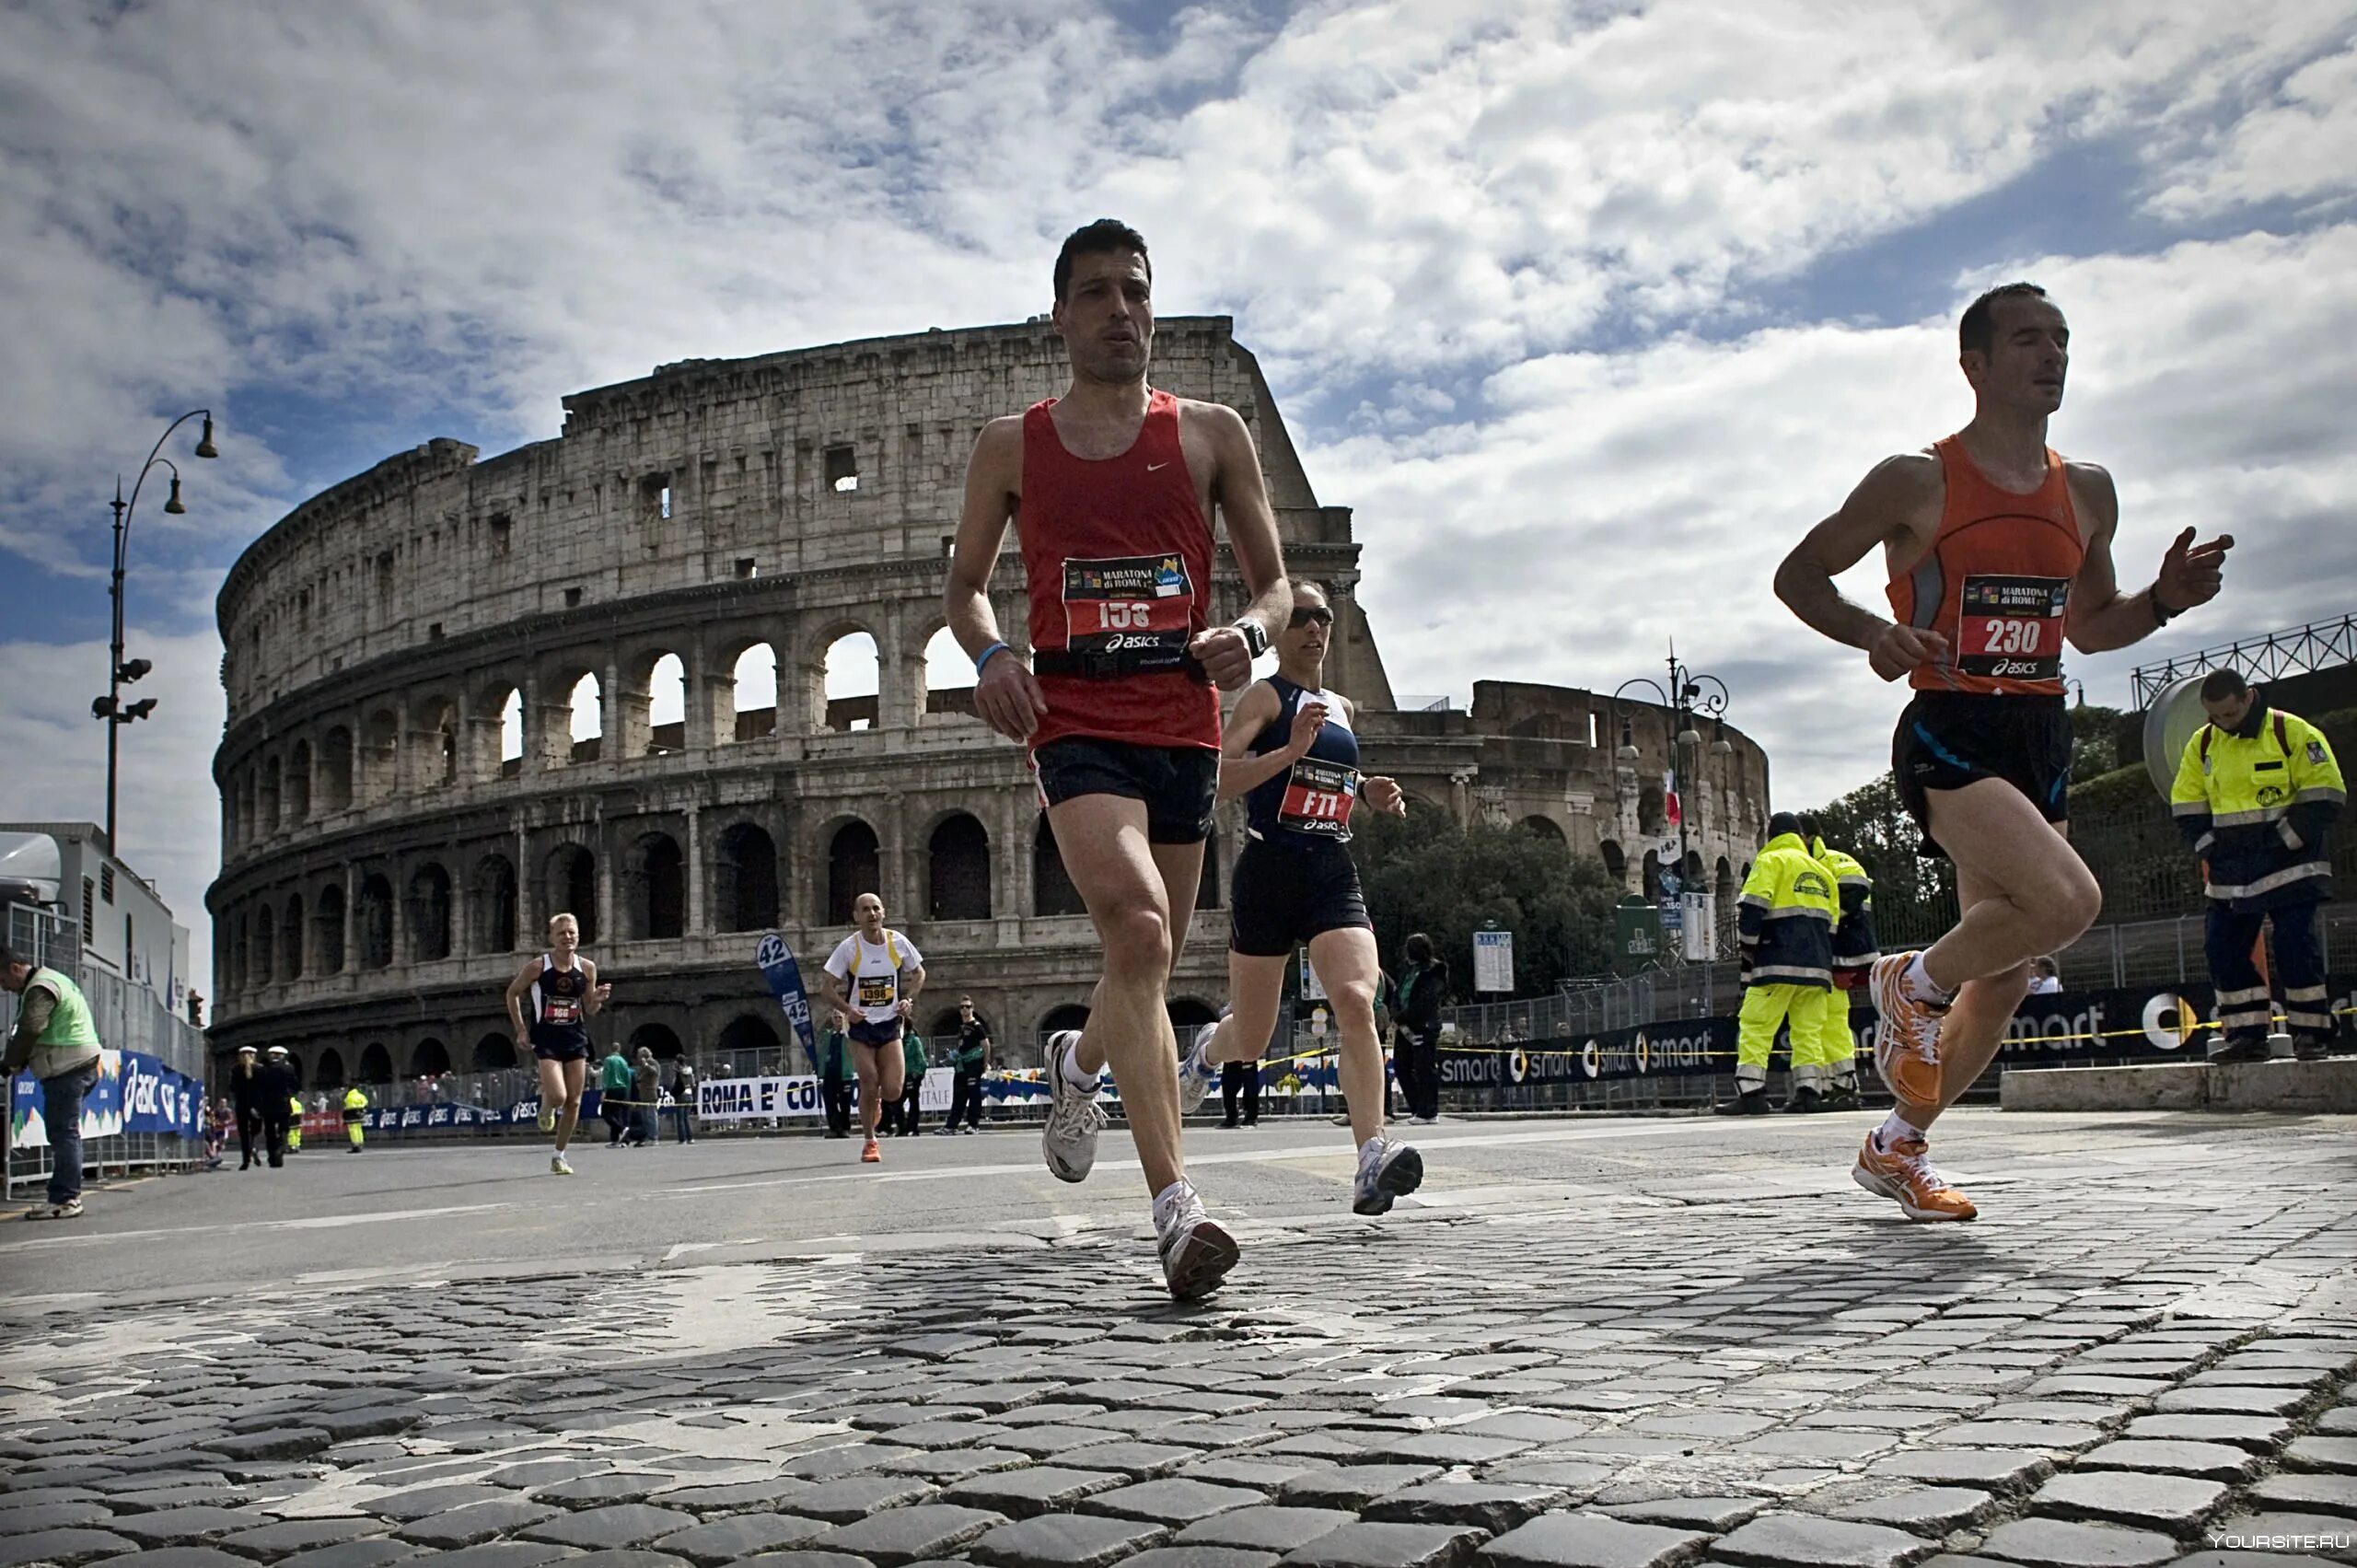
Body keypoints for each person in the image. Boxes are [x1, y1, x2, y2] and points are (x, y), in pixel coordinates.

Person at [1774, 280, 2231, 1221]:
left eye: (2061, 338)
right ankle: (1909, 979)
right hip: (1949, 721)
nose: (2052, 354)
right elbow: (1799, 573)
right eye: (2027, 339)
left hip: (2040, 730)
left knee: (2010, 968)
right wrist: (1870, 631)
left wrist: (2165, 599)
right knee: (2066, 901)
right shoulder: (1917, 480)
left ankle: (1897, 1143)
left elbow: (2093, 627)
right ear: (1974, 364)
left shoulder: (2089, 490)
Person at [944, 218, 1292, 1299]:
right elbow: (960, 592)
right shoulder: (1011, 443)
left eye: (1134, 291)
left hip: (1182, 722)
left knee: (1144, 962)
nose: (1119, 310)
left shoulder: (1211, 432)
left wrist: (1255, 634)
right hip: (1076, 720)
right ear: (1059, 313)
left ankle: (1076, 1064)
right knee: (1139, 927)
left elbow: (1277, 585)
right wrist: (996, 652)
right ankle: (1175, 1209)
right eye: (1094, 293)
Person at [1174, 582, 1423, 1214]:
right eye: (1302, 618)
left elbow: (1330, 774)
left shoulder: (1340, 705)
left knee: (1356, 998)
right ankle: (1207, 1049)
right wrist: (1286, 751)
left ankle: (1372, 1155)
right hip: (1269, 871)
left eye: (1324, 617)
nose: (1315, 628)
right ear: (1280, 630)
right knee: (1252, 1039)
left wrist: (1366, 790)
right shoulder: (1265, 696)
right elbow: (1217, 779)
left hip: (1331, 869)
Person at [2172, 670, 2346, 1062]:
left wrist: (2283, 841)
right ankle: (2247, 1036)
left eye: (2230, 714)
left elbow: (2326, 794)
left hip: (2290, 864)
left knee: (2294, 946)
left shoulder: (2292, 732)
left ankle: (2312, 1034)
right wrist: (2210, 848)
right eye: (2215, 716)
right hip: (2231, 870)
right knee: (2223, 949)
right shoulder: (2202, 744)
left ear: (2249, 697)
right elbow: (2186, 804)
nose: (2224, 723)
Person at [1723, 814, 1838, 1116]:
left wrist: (1749, 953)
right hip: (1818, 967)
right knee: (1808, 1031)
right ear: (1800, 836)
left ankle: (1752, 1092)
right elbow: (1832, 926)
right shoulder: (1823, 873)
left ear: (1770, 837)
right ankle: (1809, 1092)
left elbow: (1752, 912)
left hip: (1775, 962)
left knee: (1756, 1025)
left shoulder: (1771, 861)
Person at [816, 892, 924, 1164]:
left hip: (889, 1023)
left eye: (876, 908)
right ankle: (869, 1141)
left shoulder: (897, 943)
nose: (872, 914)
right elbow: (826, 988)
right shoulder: (849, 948)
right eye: (865, 910)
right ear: (856, 916)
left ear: (883, 913)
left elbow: (919, 972)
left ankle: (876, 1102)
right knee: (868, 1080)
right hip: (861, 1026)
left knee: (892, 1091)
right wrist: (847, 1010)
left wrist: (908, 999)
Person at [2, 945, 103, 1220]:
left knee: (63, 1134)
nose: (5, 987)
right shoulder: (54, 978)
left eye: (3, 980)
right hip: (84, 1063)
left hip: (67, 1067)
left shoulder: (40, 987)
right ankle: (66, 1195)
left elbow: (31, 1027)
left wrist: (10, 1062)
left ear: (15, 968)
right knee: (67, 1132)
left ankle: (65, 1199)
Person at [505, 913, 610, 1177]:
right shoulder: (538, 967)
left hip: (575, 1037)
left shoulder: (587, 968)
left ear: (578, 935)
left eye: (571, 932)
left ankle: (559, 1155)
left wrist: (597, 999)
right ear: (552, 937)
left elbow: (590, 1008)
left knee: (574, 1102)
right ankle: (547, 1104)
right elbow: (512, 993)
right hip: (546, 1039)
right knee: (559, 1097)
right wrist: (520, 1030)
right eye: (561, 933)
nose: (567, 937)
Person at [1800, 822, 1880, 1110]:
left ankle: (1841, 1084)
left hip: (1841, 953)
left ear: (1808, 836)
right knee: (1819, 1021)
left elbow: (1856, 889)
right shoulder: (1810, 864)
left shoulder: (1833, 860)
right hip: (1827, 955)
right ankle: (1833, 1084)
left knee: (1830, 1020)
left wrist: (1826, 921)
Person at [1392, 935, 1446, 1125]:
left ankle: (1429, 1111)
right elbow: (1397, 994)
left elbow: (1426, 1000)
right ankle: (1417, 1106)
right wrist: (1399, 1019)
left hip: (1424, 1025)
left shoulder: (1435, 970)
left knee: (1425, 1067)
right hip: (1404, 1026)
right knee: (1401, 1066)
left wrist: (1403, 1017)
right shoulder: (1407, 970)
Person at [941, 999, 990, 1134]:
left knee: (974, 1095)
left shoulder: (977, 1026)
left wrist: (985, 1062)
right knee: (958, 1095)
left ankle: (973, 1125)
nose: (964, 1009)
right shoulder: (962, 1027)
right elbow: (961, 1045)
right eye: (962, 1007)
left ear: (972, 1008)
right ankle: (952, 1125)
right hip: (961, 1066)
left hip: (973, 1064)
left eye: (967, 1007)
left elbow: (985, 1045)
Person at [260, 1047, 300, 1165]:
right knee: (284, 1128)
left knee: (270, 1131)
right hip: (283, 1103)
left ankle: (272, 1156)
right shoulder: (289, 1068)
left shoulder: (264, 1069)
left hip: (268, 1104)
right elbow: (295, 1085)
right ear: (282, 1056)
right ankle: (280, 1147)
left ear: (271, 1056)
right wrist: (290, 1094)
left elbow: (259, 1088)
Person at [817, 1010, 853, 1138]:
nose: (837, 1019)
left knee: (845, 1103)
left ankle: (845, 1128)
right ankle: (834, 1127)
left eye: (840, 1017)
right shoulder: (827, 1035)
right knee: (829, 1102)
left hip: (844, 1074)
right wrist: (820, 1071)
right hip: (829, 1073)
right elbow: (821, 1053)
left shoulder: (848, 1035)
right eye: (835, 1017)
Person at [894, 1029, 928, 1137]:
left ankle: (913, 1128)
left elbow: (921, 1059)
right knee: (897, 1102)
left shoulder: (914, 1040)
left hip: (912, 1074)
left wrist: (918, 1073)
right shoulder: (897, 1039)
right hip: (900, 1075)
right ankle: (902, 1127)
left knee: (913, 1101)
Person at [597, 1047, 633, 1147]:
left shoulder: (609, 1060)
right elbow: (627, 1076)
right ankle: (616, 1140)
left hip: (612, 1088)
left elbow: (606, 1075)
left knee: (605, 1113)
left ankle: (621, 1129)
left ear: (610, 1050)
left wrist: (604, 1091)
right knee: (616, 1114)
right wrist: (627, 1091)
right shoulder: (624, 1061)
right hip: (622, 1089)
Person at [625, 1048, 660, 1146]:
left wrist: (646, 1064)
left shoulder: (653, 1063)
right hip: (643, 1095)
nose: (638, 1058)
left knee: (651, 1117)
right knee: (645, 1118)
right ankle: (647, 1136)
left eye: (639, 1056)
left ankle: (653, 1138)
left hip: (650, 1094)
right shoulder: (642, 1067)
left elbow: (654, 1072)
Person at [1219, 1056, 1260, 1129]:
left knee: (1250, 1087)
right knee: (1227, 1085)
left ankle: (1251, 1117)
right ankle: (1231, 1117)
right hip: (1231, 1056)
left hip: (1248, 1054)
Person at [672, 1058, 698, 1144]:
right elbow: (693, 1084)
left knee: (680, 1119)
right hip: (689, 1094)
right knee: (686, 1118)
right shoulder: (690, 1072)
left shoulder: (679, 1073)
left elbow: (676, 1085)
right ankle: (690, 1138)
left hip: (681, 1095)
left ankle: (682, 1139)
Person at [343, 1084, 369, 1153]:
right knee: (359, 1129)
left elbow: (347, 1106)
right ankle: (360, 1143)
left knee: (353, 1130)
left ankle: (355, 1145)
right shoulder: (361, 1095)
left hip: (351, 1115)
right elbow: (366, 1103)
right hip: (360, 1114)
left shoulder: (349, 1097)